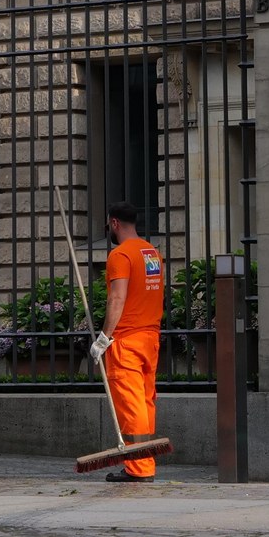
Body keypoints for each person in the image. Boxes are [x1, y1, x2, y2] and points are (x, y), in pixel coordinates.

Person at [93, 201, 165, 481]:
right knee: (145, 403)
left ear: (114, 223)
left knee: (131, 404)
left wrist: (104, 337)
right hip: (151, 338)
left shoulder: (120, 255)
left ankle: (138, 468)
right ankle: (145, 462)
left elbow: (117, 297)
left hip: (127, 340)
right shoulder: (151, 252)